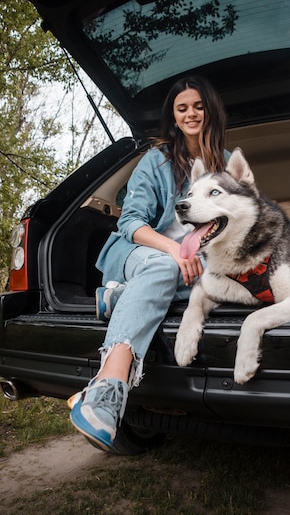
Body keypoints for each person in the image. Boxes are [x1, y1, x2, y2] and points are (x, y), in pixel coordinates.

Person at [69, 75, 229, 452]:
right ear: (173, 117)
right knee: (163, 268)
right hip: (139, 254)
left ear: (210, 111)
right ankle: (106, 389)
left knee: (218, 280)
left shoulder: (223, 166)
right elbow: (130, 223)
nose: (191, 114)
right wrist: (174, 251)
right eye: (182, 108)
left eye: (198, 106)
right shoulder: (156, 160)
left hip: (193, 267)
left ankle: (121, 299)